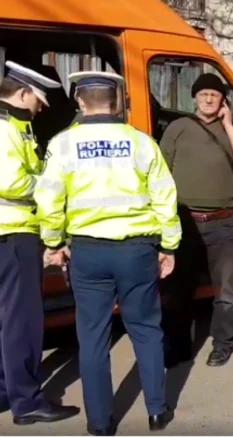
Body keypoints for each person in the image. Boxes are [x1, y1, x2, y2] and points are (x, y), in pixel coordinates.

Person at [34, 70, 181, 435]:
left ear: (80, 102)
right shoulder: (142, 142)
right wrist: (169, 246)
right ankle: (157, 411)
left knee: (93, 337)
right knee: (146, 329)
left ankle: (99, 422)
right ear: (116, 101)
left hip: (88, 252)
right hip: (136, 250)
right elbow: (166, 196)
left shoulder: (63, 144)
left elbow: (48, 197)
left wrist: (52, 242)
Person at [158, 72, 233, 368]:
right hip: (184, 223)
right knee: (177, 289)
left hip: (223, 224)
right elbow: (160, 170)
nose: (208, 99)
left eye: (214, 95)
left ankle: (222, 345)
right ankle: (177, 348)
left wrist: (228, 124)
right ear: (195, 98)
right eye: (203, 94)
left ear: (222, 100)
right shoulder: (178, 128)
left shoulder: (231, 130)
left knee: (225, 289)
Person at [0, 61, 81, 425]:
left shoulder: (16, 126)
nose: (42, 107)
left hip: (10, 233)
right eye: (39, 99)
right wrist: (49, 186)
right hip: (14, 235)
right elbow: (11, 182)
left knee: (6, 321)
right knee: (22, 323)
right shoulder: (4, 129)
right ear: (22, 92)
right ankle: (27, 400)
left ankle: (7, 389)